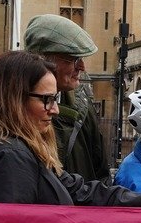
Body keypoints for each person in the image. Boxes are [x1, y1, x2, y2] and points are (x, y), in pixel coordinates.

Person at [0, 52, 141, 213]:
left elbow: (83, 191)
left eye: (55, 99)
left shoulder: (22, 150)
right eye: (47, 100)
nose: (55, 110)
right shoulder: (9, 157)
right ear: (14, 99)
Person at [23, 13, 111, 180]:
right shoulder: (16, 106)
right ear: (44, 59)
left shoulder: (82, 103)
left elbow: (101, 172)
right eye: (73, 59)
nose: (82, 67)